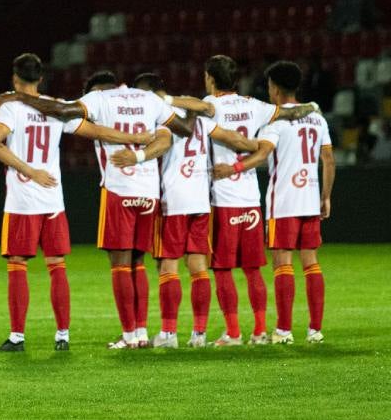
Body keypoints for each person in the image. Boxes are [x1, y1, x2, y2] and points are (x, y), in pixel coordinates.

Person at [0, 54, 141, 351]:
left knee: (18, 265)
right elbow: (94, 131)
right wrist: (135, 137)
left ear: (15, 78)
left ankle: (17, 337)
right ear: (41, 78)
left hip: (22, 200)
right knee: (57, 265)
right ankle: (63, 335)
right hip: (53, 199)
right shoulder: (54, 106)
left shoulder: (11, 108)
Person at [0, 70, 183, 349]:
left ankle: (130, 336)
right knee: (139, 263)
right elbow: (179, 130)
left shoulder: (99, 99)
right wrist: (143, 149)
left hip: (119, 189)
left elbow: (61, 109)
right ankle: (143, 333)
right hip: (149, 191)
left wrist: (18, 96)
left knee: (120, 265)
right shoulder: (147, 100)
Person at [129, 73, 259, 348]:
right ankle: (198, 334)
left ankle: (168, 333)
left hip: (173, 198)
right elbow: (228, 136)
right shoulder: (198, 115)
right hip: (200, 199)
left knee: (168, 266)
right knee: (198, 266)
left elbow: (157, 144)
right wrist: (253, 147)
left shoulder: (161, 114)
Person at [214, 61, 334, 344]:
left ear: (276, 88)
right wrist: (326, 196)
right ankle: (315, 330)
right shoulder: (317, 117)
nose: (268, 91)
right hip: (310, 199)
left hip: (284, 202)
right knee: (312, 263)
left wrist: (234, 169)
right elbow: (328, 159)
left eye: (269, 86)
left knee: (282, 264)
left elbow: (261, 155)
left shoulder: (276, 121)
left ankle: (283, 330)